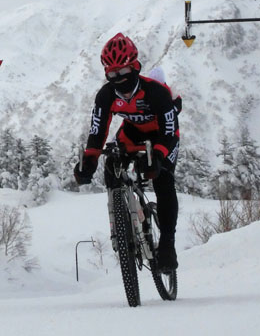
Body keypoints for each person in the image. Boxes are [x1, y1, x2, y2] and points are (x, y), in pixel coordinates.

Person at [74, 32, 181, 272]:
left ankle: (167, 244)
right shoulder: (106, 95)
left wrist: (160, 156)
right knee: (111, 162)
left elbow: (168, 131)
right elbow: (98, 131)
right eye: (112, 75)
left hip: (163, 135)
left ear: (135, 67)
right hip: (132, 132)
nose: (118, 79)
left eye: (122, 73)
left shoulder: (157, 93)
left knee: (163, 180)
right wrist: (89, 160)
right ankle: (122, 222)